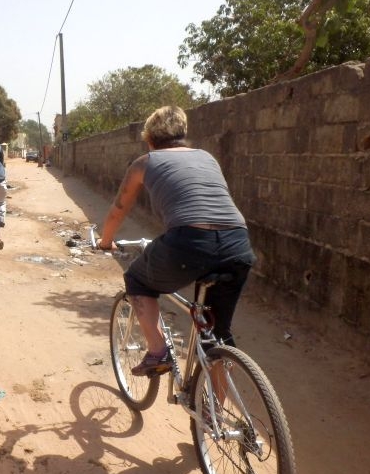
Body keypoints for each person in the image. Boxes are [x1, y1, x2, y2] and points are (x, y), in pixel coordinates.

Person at [97, 105, 256, 376]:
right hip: (238, 243)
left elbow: (118, 210)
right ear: (183, 134)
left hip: (189, 241)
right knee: (215, 334)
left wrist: (105, 242)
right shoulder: (207, 157)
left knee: (137, 278)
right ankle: (212, 412)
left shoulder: (144, 163)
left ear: (149, 139)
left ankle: (158, 352)